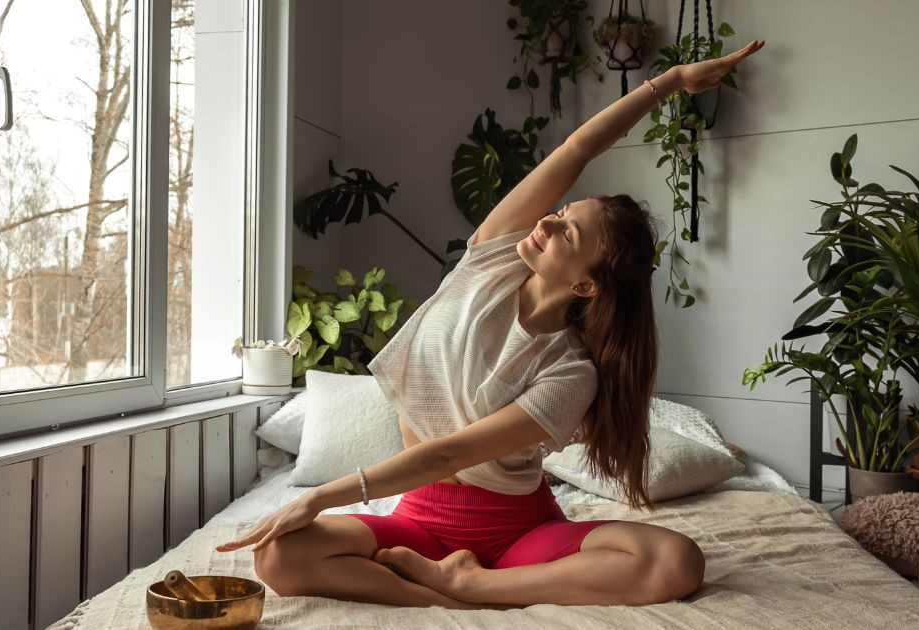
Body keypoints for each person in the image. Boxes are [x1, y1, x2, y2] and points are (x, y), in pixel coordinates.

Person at [216, 39, 765, 610]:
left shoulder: (571, 372)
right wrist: (671, 80)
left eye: (567, 233)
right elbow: (578, 147)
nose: (548, 224)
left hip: (516, 532)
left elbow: (448, 453)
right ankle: (439, 596)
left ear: (585, 285)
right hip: (419, 519)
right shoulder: (489, 256)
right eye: (560, 214)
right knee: (277, 555)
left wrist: (322, 498)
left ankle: (467, 586)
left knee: (676, 561)